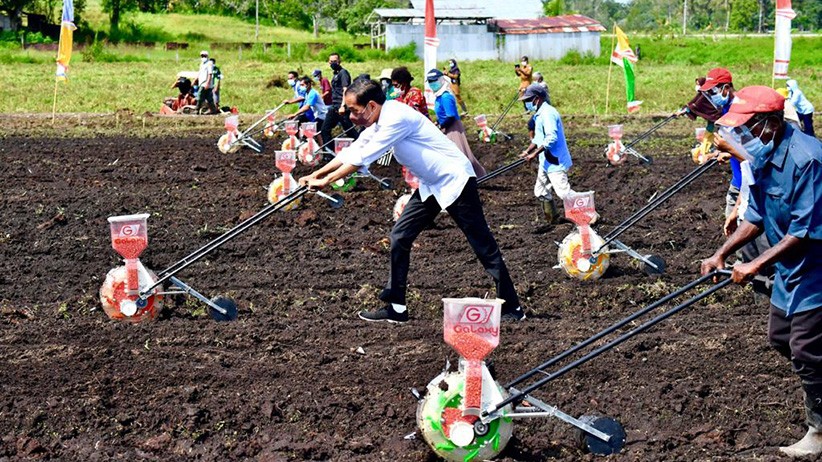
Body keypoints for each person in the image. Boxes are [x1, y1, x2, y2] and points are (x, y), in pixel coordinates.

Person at [298, 79, 525, 323]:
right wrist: (316, 174)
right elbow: (354, 149)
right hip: (431, 185)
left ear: (371, 106)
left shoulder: (395, 118)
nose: (351, 116)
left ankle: (512, 307)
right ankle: (397, 307)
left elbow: (363, 157)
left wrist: (327, 180)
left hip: (455, 180)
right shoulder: (380, 119)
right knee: (400, 237)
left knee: (482, 244)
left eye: (354, 110)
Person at [700, 85, 822, 458]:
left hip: (816, 268)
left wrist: (755, 264)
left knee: (806, 350)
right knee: (780, 337)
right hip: (789, 269)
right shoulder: (763, 155)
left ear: (770, 123)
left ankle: (819, 432)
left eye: (745, 128)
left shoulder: (808, 160)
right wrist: (721, 253)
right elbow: (755, 216)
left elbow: (803, 231)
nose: (740, 136)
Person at [519, 84, 575, 224]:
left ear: (537, 99)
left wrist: (534, 154)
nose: (526, 104)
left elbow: (551, 138)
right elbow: (538, 139)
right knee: (541, 191)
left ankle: (588, 213)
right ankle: (553, 220)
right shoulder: (539, 114)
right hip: (545, 161)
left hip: (555, 161)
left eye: (528, 100)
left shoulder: (548, 114)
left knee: (564, 193)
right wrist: (527, 151)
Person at [427, 69, 486, 177]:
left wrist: (440, 125)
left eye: (434, 81)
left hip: (453, 128)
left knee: (459, 155)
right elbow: (442, 115)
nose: (432, 84)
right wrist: (437, 122)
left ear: (441, 80)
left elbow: (450, 116)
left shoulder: (446, 96)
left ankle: (475, 176)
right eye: (430, 81)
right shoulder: (438, 97)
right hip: (446, 127)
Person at [320, 53, 358, 142]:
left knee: (349, 131)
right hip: (334, 107)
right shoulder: (335, 74)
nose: (333, 63)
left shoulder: (343, 73)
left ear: (339, 61)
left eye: (335, 61)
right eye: (331, 61)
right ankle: (329, 150)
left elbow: (345, 90)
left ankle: (363, 145)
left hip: (341, 107)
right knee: (325, 130)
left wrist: (343, 106)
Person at [195, 50, 218, 115]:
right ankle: (213, 110)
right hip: (201, 83)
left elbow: (210, 74)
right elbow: (200, 73)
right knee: (209, 98)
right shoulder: (202, 64)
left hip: (205, 83)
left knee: (199, 96)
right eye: (202, 56)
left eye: (204, 56)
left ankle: (197, 110)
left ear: (207, 56)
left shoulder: (209, 63)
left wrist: (207, 83)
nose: (203, 57)